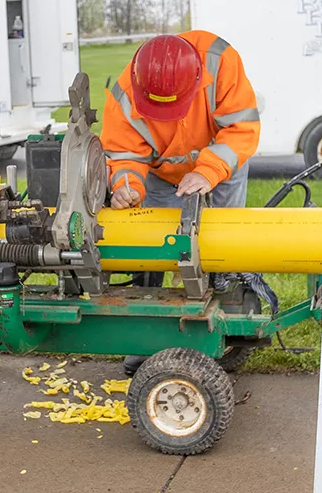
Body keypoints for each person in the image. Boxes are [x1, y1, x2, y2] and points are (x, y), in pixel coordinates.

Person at [100, 30, 273, 376]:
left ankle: (226, 326)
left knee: (222, 245)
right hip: (162, 176)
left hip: (223, 163)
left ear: (196, 81)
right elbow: (123, 153)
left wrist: (209, 172)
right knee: (157, 248)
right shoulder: (124, 93)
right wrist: (126, 186)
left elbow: (241, 128)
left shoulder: (220, 61)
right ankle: (147, 341)